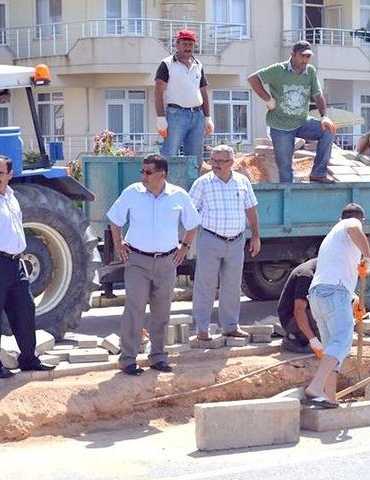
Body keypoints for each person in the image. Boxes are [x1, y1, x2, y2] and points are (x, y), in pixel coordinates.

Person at [107, 154, 201, 376]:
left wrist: (184, 246)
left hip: (167, 261)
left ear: (162, 174)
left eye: (148, 172)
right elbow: (115, 219)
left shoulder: (179, 196)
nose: (144, 176)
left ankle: (158, 356)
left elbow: (193, 223)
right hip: (137, 261)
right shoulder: (132, 193)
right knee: (134, 309)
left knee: (162, 312)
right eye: (142, 171)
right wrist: (118, 242)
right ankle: (128, 359)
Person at [0, 155, 56, 378]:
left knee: (25, 309)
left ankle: (29, 359)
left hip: (16, 263)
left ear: (10, 175)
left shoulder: (12, 198)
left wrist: (20, 252)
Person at [188, 145, 261, 341]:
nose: (216, 165)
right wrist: (186, 242)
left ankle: (230, 326)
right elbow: (190, 214)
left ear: (231, 163)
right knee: (205, 285)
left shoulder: (242, 182)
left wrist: (255, 236)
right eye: (213, 160)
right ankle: (202, 328)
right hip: (211, 239)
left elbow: (251, 210)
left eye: (220, 161)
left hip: (236, 241)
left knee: (232, 285)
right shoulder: (202, 184)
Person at [304, 203, 370, 408]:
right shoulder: (350, 224)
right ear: (362, 220)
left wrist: (353, 300)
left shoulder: (332, 236)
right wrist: (368, 256)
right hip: (334, 292)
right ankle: (316, 387)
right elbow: (354, 228)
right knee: (342, 341)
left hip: (318, 295)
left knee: (332, 350)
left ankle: (329, 396)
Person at [248, 40, 337, 183]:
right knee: (285, 167)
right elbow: (253, 79)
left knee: (328, 130)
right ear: (293, 55)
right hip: (280, 126)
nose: (305, 60)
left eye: (308, 57)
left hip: (302, 121)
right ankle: (289, 197)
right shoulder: (278, 70)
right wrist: (267, 99)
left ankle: (318, 173)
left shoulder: (310, 71)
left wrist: (324, 117)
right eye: (302, 56)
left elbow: (318, 95)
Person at [155, 29, 213, 167]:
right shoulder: (167, 64)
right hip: (176, 115)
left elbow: (203, 91)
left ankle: (192, 188)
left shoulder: (198, 65)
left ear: (194, 46)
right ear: (177, 45)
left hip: (197, 116)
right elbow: (158, 92)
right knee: (169, 155)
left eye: (190, 44)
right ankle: (163, 186)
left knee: (195, 159)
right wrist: (161, 119)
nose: (187, 47)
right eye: (184, 44)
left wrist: (207, 117)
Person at [277, 258, 322, 354]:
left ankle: (305, 335)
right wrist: (313, 340)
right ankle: (295, 338)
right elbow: (299, 310)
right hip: (291, 319)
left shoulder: (323, 272)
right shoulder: (306, 276)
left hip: (308, 311)